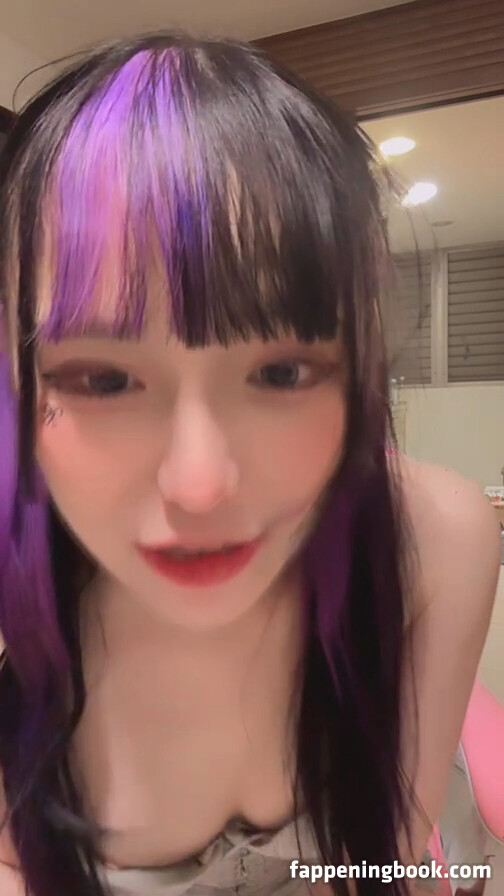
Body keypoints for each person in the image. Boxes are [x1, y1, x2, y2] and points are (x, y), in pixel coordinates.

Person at [0, 31, 499, 896]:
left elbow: (380, 849)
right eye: (105, 379)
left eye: (281, 373)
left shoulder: (432, 538)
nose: (200, 486)